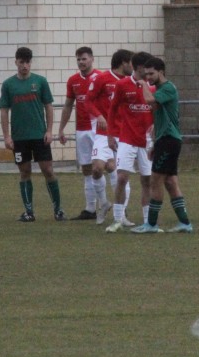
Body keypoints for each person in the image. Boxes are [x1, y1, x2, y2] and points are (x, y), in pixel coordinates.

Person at [0, 46, 64, 221]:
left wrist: (49, 130)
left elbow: (48, 106)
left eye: (27, 62)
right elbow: (4, 111)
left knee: (48, 170)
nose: (25, 66)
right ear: (16, 62)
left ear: (31, 62)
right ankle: (29, 212)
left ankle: (58, 210)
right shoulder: (8, 85)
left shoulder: (40, 82)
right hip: (20, 137)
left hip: (39, 135)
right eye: (21, 62)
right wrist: (7, 136)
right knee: (24, 172)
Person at [134, 57, 193, 233]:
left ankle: (151, 224)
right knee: (170, 182)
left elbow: (149, 100)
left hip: (169, 141)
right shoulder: (162, 89)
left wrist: (142, 84)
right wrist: (155, 143)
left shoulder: (167, 88)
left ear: (161, 72)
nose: (148, 77)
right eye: (146, 74)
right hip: (166, 140)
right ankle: (185, 223)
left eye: (151, 74)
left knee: (155, 181)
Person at [105, 51, 155, 233]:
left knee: (147, 180)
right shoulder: (122, 85)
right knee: (122, 177)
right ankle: (118, 219)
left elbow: (156, 112)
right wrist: (110, 135)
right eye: (146, 68)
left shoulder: (152, 86)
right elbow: (112, 111)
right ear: (137, 67)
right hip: (126, 139)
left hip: (147, 141)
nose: (149, 71)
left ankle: (148, 221)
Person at [57, 46, 108, 221]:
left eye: (84, 59)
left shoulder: (101, 78)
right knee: (86, 168)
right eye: (78, 59)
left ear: (92, 59)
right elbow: (68, 105)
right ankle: (90, 209)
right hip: (81, 129)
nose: (81, 62)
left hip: (98, 130)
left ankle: (111, 205)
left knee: (103, 166)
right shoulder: (73, 81)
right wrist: (61, 128)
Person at [87, 49, 134, 225]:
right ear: (123, 63)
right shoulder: (102, 79)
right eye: (131, 63)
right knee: (97, 168)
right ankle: (105, 203)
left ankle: (121, 215)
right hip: (103, 133)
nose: (133, 67)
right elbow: (88, 101)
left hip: (125, 134)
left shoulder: (132, 82)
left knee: (121, 172)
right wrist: (99, 116)